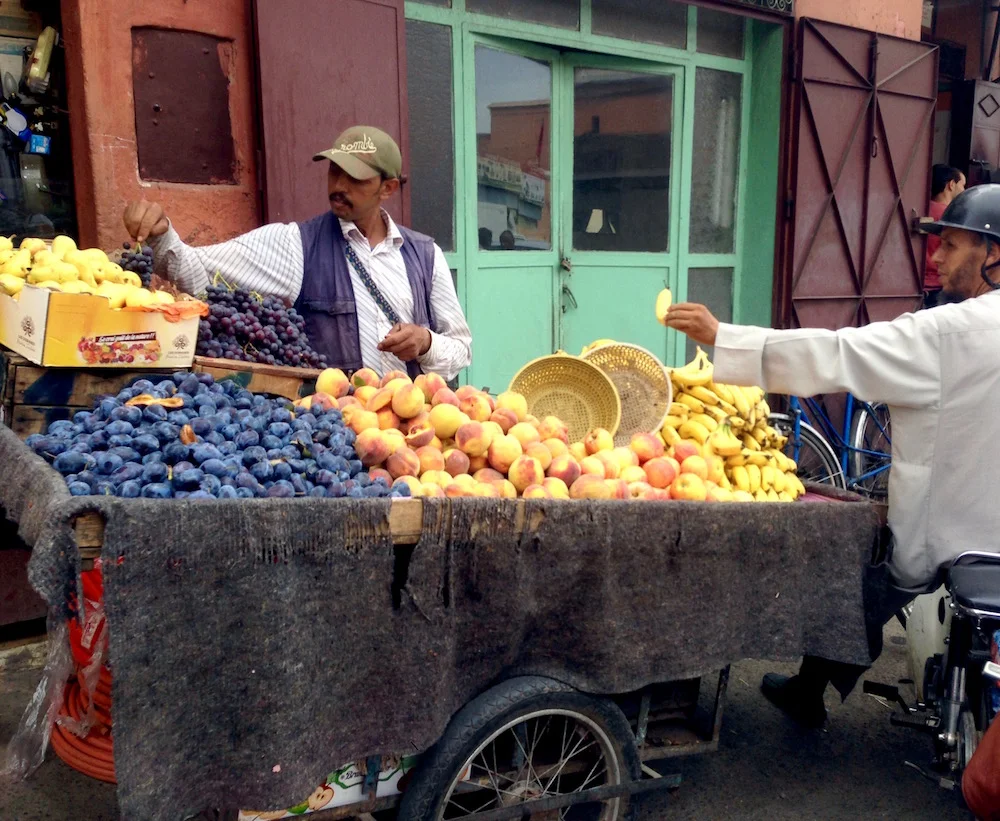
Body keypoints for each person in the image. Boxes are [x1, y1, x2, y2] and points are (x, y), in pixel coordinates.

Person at [664, 184, 1000, 727]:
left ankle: (807, 692)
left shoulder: (948, 333)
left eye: (952, 246)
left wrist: (723, 337)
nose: (936, 258)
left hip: (943, 535)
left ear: (993, 253)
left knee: (860, 583)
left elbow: (839, 353)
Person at [122, 126, 472, 382]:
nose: (338, 186)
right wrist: (162, 233)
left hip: (415, 435)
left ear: (388, 188)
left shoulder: (425, 255)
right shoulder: (296, 245)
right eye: (335, 171)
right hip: (336, 436)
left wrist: (425, 343)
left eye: (355, 178)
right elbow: (197, 272)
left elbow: (461, 350)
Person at [924, 164, 966, 308]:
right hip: (940, 286)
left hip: (916, 285)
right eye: (963, 185)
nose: (964, 190)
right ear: (951, 185)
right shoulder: (956, 218)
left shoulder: (922, 210)